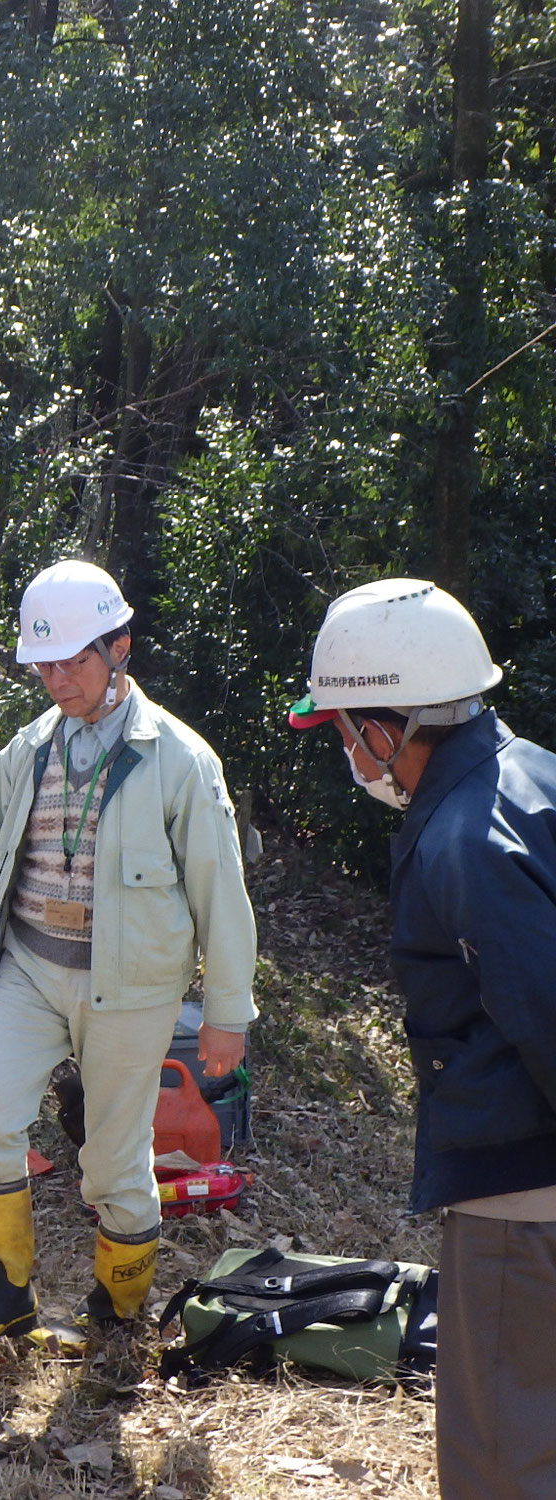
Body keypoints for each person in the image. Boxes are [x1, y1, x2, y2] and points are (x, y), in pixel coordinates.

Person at [0, 559, 256, 1354]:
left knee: (113, 1163)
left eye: (73, 660)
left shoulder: (179, 760)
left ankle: (115, 1315)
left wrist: (226, 1015)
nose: (56, 679)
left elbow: (222, 893)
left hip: (131, 989)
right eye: (43, 664)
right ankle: (5, 1296)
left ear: (121, 648)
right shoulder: (26, 752)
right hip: (28, 974)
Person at [290, 577, 556, 1498]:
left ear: (385, 724)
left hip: (522, 1187)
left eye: (340, 731)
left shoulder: (465, 841)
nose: (347, 754)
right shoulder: (534, 774)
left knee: (500, 1447)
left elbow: (542, 1009)